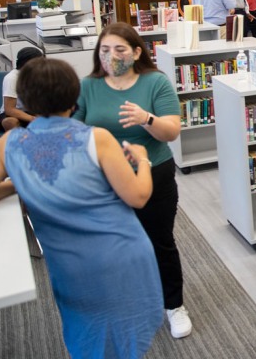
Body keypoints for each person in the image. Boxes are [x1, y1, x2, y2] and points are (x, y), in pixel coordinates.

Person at [0, 58, 161, 359]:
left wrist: (22, 182)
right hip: (122, 257)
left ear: (25, 101)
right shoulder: (98, 138)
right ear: (73, 97)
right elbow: (137, 196)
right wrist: (145, 160)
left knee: (98, 338)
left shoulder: (10, 144)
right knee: (127, 350)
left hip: (71, 269)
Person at [74, 23, 192, 339]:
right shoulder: (88, 86)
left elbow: (171, 132)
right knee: (111, 246)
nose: (111, 56)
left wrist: (147, 119)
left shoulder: (155, 83)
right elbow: (73, 130)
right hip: (103, 179)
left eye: (120, 49)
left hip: (153, 173)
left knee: (159, 241)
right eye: (104, 50)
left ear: (137, 52)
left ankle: (174, 305)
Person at [0, 46, 43, 133]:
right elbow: (9, 109)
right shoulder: (12, 78)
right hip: (11, 114)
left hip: (30, 112)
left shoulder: (37, 76)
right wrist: (33, 119)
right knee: (10, 122)